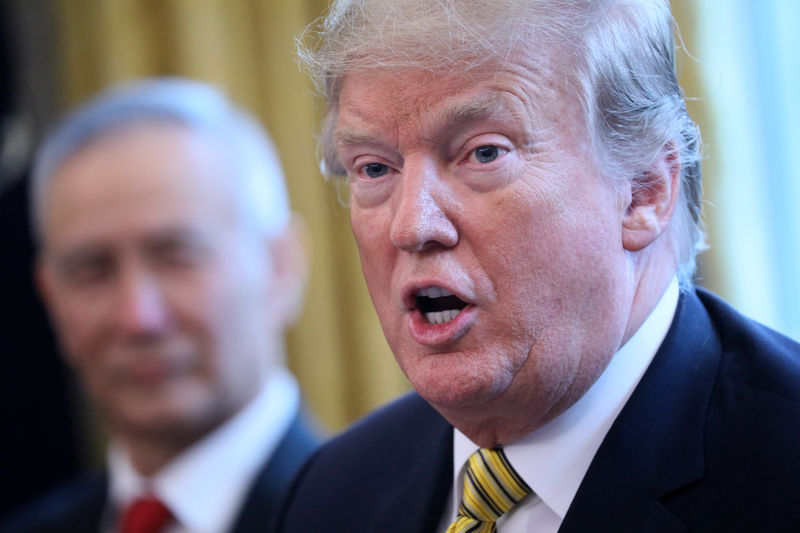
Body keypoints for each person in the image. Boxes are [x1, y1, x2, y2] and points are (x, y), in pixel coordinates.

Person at [278, 1, 800, 531]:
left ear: (645, 191)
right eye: (373, 167)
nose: (412, 226)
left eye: (484, 153)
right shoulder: (329, 494)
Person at [2, 78, 319, 533]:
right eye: (92, 270)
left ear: (279, 268)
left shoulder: (389, 517)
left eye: (177, 257)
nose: (138, 317)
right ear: (52, 299)